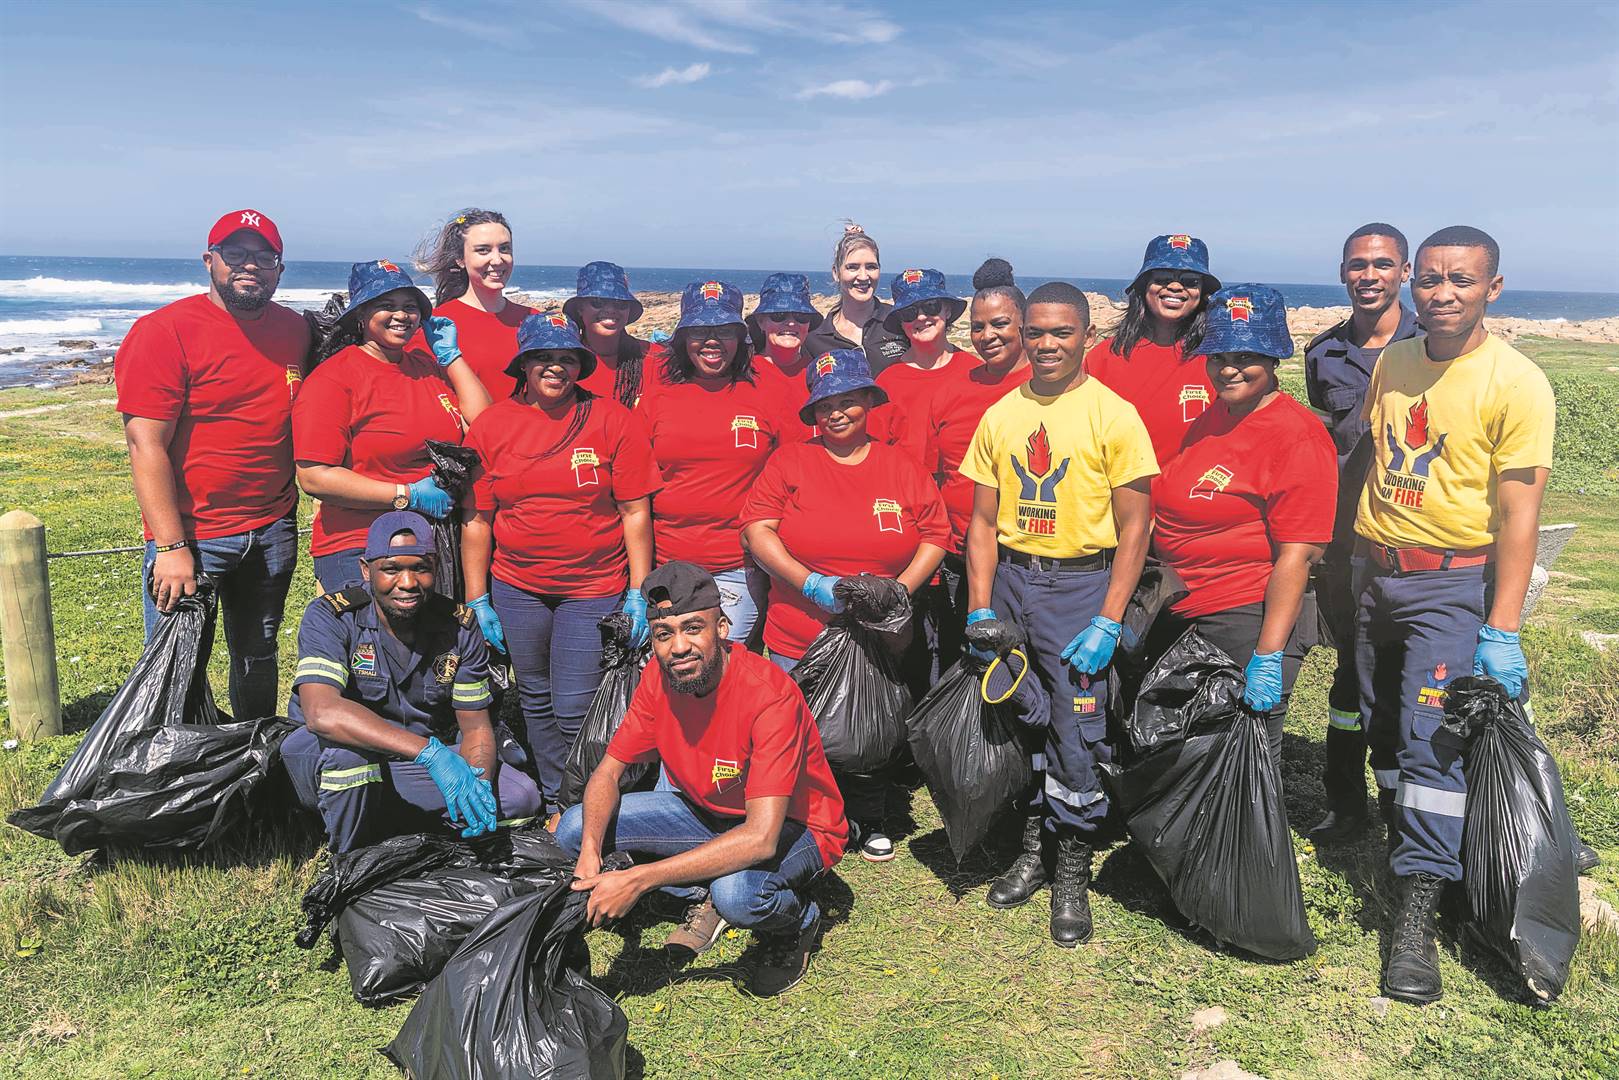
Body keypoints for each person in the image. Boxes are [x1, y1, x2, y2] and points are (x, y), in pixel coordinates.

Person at [1354, 227, 1554, 1005]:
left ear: (1491, 288)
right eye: (1430, 280)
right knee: (1380, 725)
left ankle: (1416, 914)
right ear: (1413, 282)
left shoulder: (1516, 382)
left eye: (1461, 281)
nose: (1442, 294)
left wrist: (1500, 628)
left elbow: (1519, 516)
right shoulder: (1393, 361)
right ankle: (1397, 845)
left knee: (1430, 749)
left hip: (1451, 585)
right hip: (1375, 576)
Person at [960, 282, 1156, 947]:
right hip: (1013, 581)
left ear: (1087, 336)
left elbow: (1135, 528)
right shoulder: (1000, 413)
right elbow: (981, 523)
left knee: (1077, 731)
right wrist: (978, 606)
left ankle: (1071, 864)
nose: (1046, 345)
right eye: (1036, 332)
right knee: (1022, 721)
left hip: (1078, 587)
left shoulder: (1114, 415)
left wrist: (1108, 618)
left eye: (1061, 333)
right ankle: (1032, 849)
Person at [557, 561, 847, 996]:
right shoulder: (657, 679)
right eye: (664, 634)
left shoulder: (768, 696)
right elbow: (607, 772)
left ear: (723, 627)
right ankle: (700, 889)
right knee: (574, 826)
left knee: (738, 896)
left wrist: (641, 878)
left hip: (797, 826)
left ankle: (798, 921)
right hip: (708, 813)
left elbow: (761, 839)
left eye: (693, 628)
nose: (679, 647)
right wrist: (590, 852)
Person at [740, 349, 950, 862]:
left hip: (878, 633)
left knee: (869, 725)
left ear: (869, 403)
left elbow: (935, 534)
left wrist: (898, 592)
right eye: (825, 405)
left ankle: (868, 813)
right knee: (791, 729)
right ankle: (805, 817)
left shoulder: (899, 465)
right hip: (799, 629)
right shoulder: (791, 460)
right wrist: (810, 582)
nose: (836, 413)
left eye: (848, 401)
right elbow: (757, 529)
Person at [114, 208, 310, 723]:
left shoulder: (296, 330)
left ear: (279, 268)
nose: (250, 265)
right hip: (195, 536)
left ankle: (255, 748)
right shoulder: (164, 331)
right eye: (235, 253)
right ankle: (171, 760)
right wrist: (170, 546)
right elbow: (144, 443)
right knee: (177, 667)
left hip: (273, 525)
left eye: (263, 256)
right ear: (210, 261)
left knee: (258, 654)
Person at [460, 312, 657, 821]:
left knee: (575, 705)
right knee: (534, 697)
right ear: (523, 365)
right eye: (543, 357)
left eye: (567, 358)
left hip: (592, 585)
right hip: (517, 586)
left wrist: (638, 592)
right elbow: (478, 520)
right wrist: (478, 598)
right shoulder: (492, 425)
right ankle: (554, 801)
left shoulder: (613, 419)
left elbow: (635, 511)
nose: (555, 367)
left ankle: (588, 802)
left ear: (580, 366)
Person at [1150, 285, 1338, 763]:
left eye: (1245, 357)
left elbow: (1300, 554)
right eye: (1218, 356)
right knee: (1193, 757)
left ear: (1273, 359)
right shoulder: (1218, 414)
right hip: (1189, 608)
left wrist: (1268, 654)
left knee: (1241, 763)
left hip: (1245, 615)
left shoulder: (1297, 436)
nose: (1228, 369)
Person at [281, 512, 541, 852]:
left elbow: (476, 727)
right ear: (366, 570)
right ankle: (354, 858)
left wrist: (474, 784)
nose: (407, 582)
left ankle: (387, 818)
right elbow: (322, 714)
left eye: (420, 568)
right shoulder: (332, 616)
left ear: (436, 568)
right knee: (351, 764)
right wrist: (429, 753)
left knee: (520, 797)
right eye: (391, 569)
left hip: (407, 764)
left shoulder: (459, 627)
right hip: (330, 754)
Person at [1302, 223, 1421, 843]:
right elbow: (1325, 444)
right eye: (1357, 265)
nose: (1368, 275)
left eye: (1382, 264)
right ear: (1342, 272)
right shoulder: (1324, 354)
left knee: (1412, 678)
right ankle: (1346, 804)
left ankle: (1409, 807)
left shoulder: (1431, 345)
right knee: (1349, 677)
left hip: (1413, 539)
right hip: (1346, 543)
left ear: (1405, 272)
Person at [293, 259, 492, 592]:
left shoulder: (426, 366)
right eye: (387, 305)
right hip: (359, 544)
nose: (401, 315)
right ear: (361, 315)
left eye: (410, 307)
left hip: (427, 542)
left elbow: (485, 424)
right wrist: (407, 495)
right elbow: (314, 476)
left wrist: (451, 357)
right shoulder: (334, 379)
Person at [639, 280, 794, 644]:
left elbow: (793, 473)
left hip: (739, 565)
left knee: (718, 659)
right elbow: (635, 489)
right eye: (699, 331)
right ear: (683, 337)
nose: (712, 341)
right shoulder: (658, 394)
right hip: (669, 562)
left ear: (740, 336)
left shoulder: (768, 387)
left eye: (724, 331)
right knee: (677, 662)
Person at [913, 258, 1032, 664]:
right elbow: (934, 476)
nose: (987, 336)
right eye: (977, 327)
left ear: (1024, 324)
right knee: (962, 668)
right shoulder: (952, 389)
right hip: (959, 560)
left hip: (1027, 563)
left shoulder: (1049, 386)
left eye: (1000, 324)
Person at [1085, 234, 1220, 465]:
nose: (1175, 287)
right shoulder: (1103, 358)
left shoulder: (1218, 359)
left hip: (1191, 487)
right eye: (1163, 278)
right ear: (1144, 286)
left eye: (1190, 281)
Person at [413, 208, 535, 396]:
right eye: (483, 250)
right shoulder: (435, 326)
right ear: (460, 259)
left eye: (504, 249)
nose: (497, 260)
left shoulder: (535, 319)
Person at [872, 267, 974, 459]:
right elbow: (875, 452)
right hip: (904, 477)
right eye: (909, 312)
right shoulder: (886, 382)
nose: (920, 317)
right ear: (900, 321)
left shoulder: (975, 372)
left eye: (931, 306)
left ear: (947, 310)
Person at [802, 224, 907, 375]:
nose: (863, 276)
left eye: (871, 267)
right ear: (836, 273)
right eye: (852, 267)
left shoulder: (900, 320)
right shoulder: (816, 338)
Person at [564, 260, 663, 407]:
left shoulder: (657, 358)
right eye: (598, 302)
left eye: (620, 303)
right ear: (580, 308)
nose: (610, 310)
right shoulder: (561, 361)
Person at [746, 272, 823, 382]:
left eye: (801, 316)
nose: (791, 323)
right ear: (761, 321)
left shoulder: (819, 375)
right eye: (779, 315)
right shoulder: (742, 373)